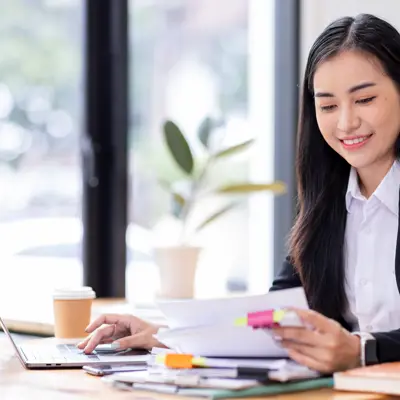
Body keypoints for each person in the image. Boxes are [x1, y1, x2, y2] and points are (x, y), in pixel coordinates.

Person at [78, 13, 400, 373]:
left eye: (365, 99)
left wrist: (362, 350)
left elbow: (359, 347)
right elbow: (278, 316)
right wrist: (167, 335)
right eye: (327, 106)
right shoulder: (326, 201)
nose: (345, 122)